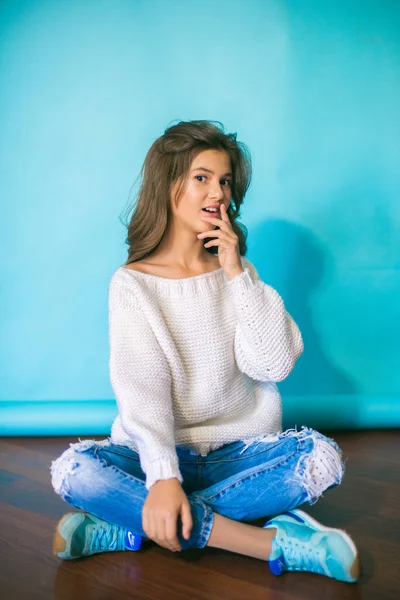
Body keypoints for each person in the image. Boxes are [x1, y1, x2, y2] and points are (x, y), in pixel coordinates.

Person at [50, 120, 360, 583]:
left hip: (236, 454)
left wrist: (237, 272)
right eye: (202, 177)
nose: (218, 192)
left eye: (225, 180)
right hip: (153, 452)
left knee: (320, 458)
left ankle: (131, 525)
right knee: (76, 471)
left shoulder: (239, 275)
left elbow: (273, 364)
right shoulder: (132, 284)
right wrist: (162, 477)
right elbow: (142, 391)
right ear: (168, 184)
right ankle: (271, 543)